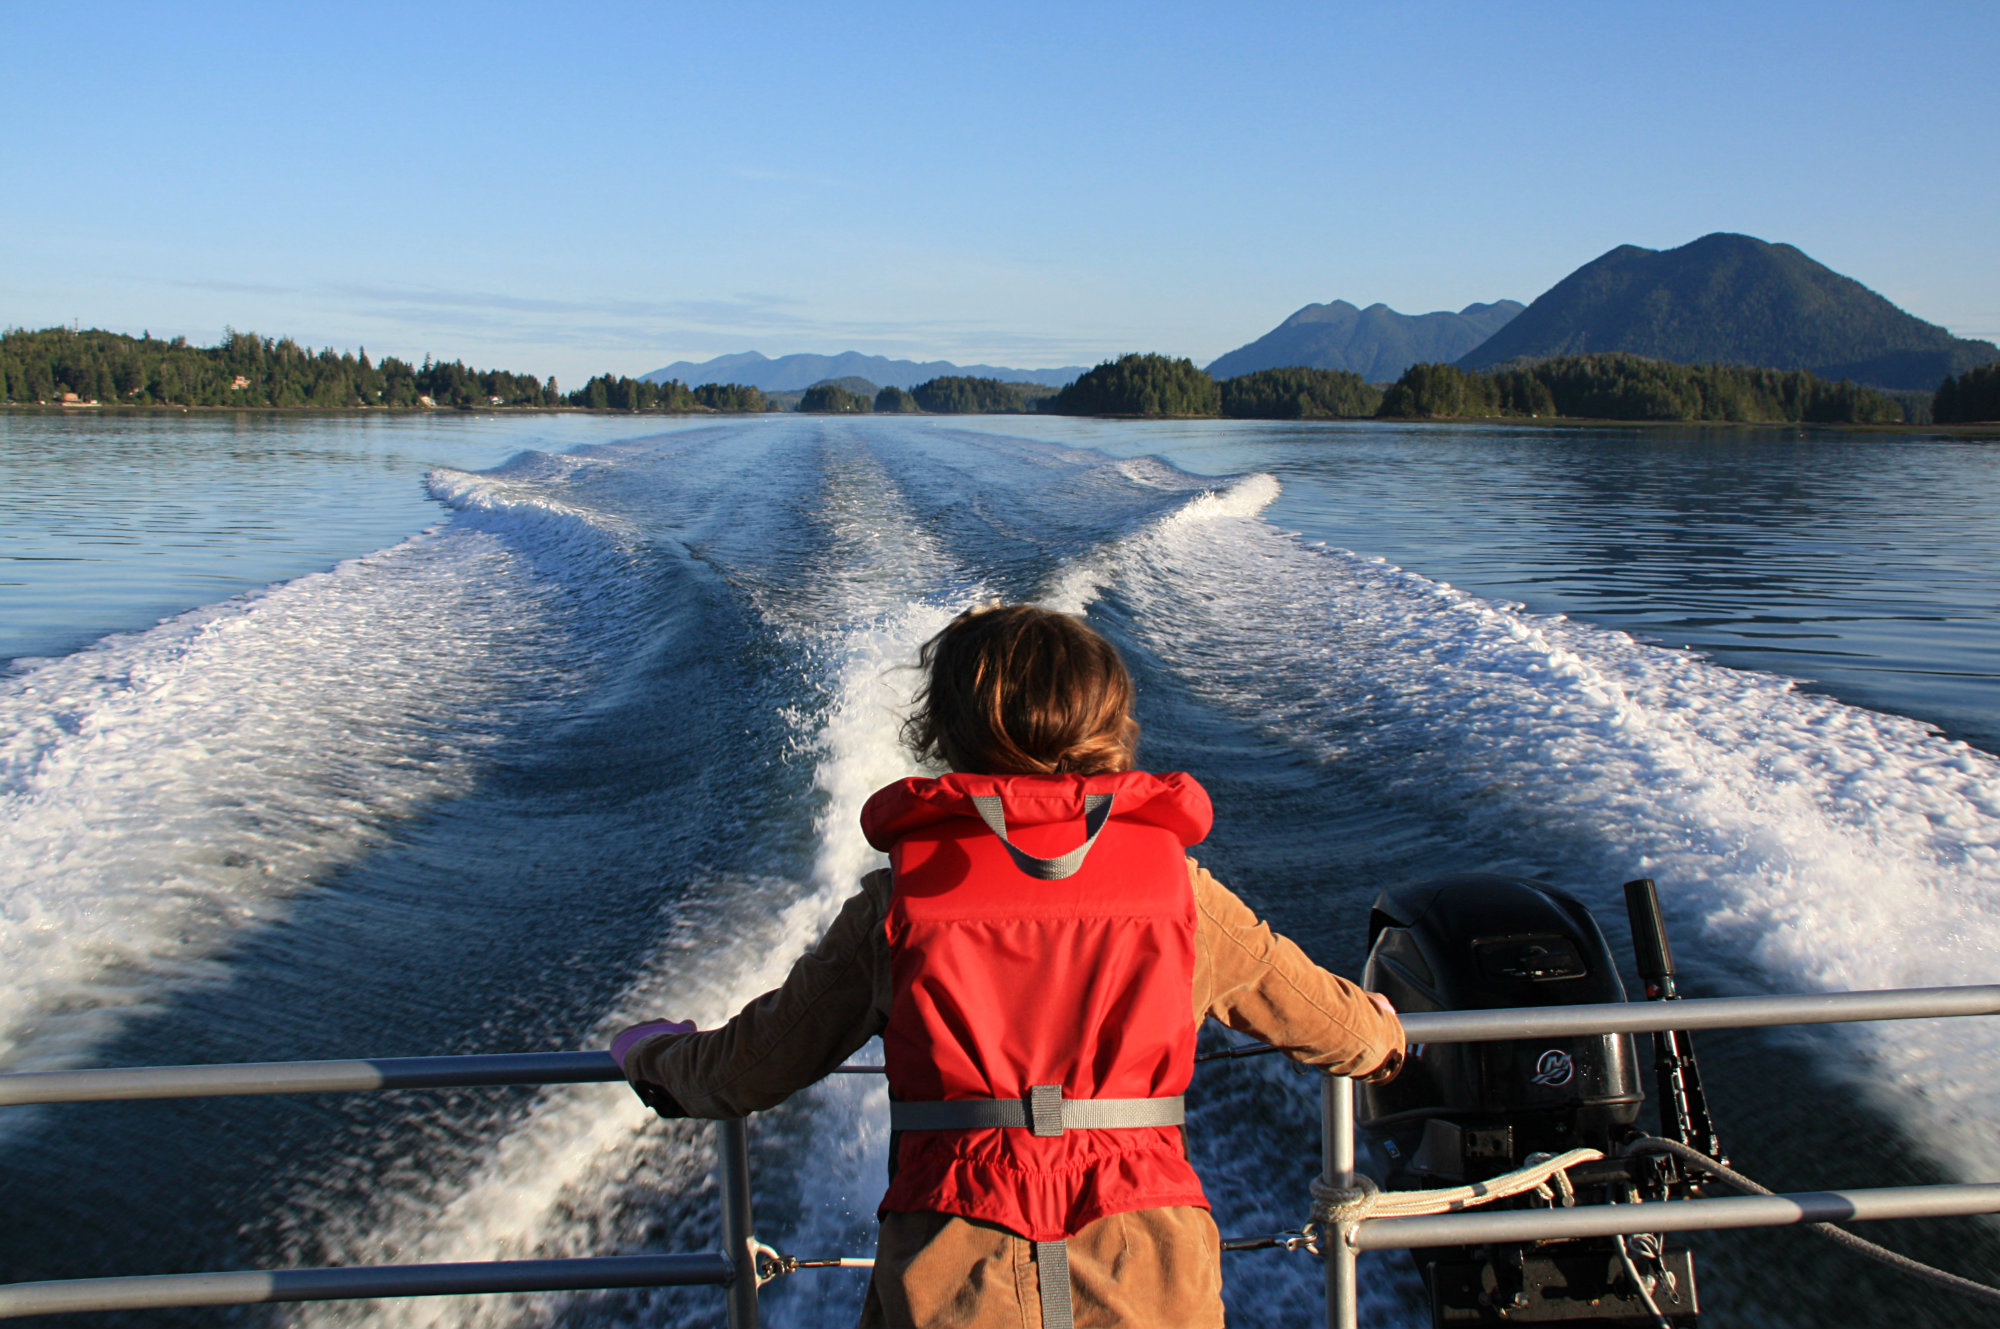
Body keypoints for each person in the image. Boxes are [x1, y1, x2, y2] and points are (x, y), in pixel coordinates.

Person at [614, 603, 1403, 1328]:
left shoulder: (898, 906)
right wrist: (1396, 1038)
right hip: (1148, 1265)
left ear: (948, 732)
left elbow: (750, 1067)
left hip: (954, 1269)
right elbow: (1341, 1030)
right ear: (1109, 724)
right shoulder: (1183, 896)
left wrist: (653, 1058)